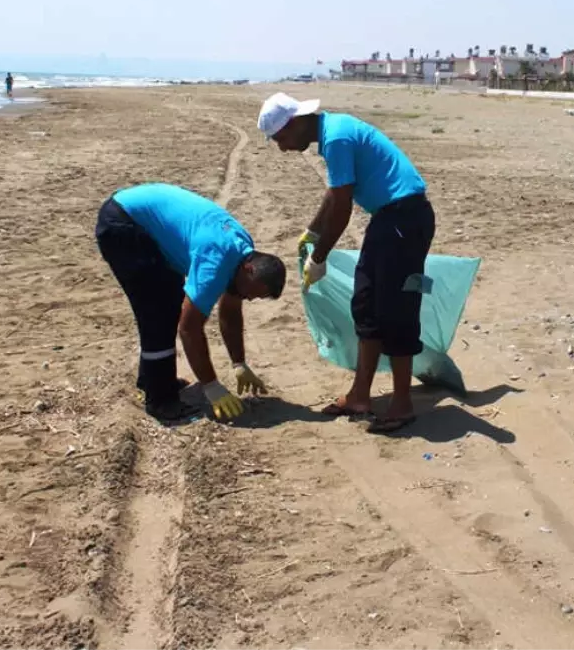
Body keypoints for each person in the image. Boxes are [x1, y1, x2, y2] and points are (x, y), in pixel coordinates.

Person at [258, 92, 434, 434]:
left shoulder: (337, 136)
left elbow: (342, 208)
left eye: (280, 139)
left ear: (294, 124)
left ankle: (402, 403)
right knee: (366, 306)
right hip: (388, 222)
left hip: (404, 220)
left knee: (396, 311)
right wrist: (311, 232)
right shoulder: (332, 134)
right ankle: (359, 396)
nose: (281, 147)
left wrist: (319, 256)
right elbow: (337, 191)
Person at [95, 183, 286, 423]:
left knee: (171, 302)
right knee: (158, 311)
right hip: (124, 224)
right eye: (251, 293)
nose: (248, 298)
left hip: (144, 221)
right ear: (249, 269)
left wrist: (239, 363)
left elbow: (230, 312)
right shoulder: (216, 262)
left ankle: (154, 379)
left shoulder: (242, 254)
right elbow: (189, 329)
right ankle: (160, 401)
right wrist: (212, 387)